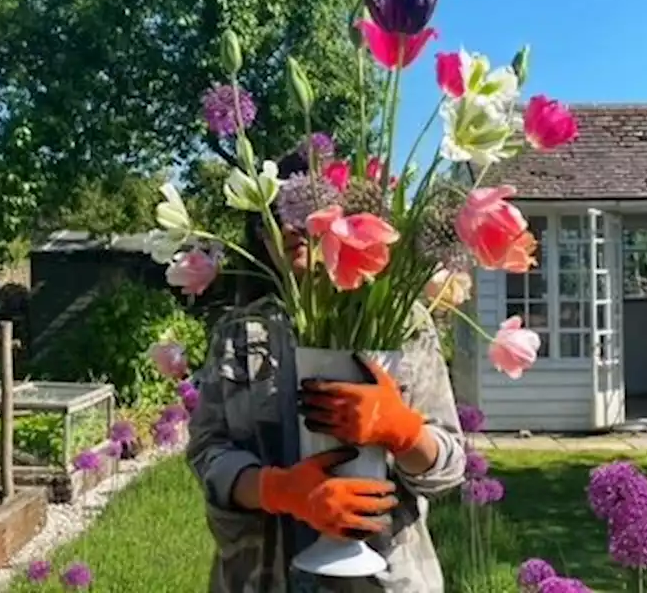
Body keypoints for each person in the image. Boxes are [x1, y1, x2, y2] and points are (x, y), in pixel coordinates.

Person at [185, 152, 467, 592]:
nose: (294, 225)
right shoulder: (240, 332)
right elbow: (207, 453)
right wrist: (278, 490)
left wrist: (402, 432)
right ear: (263, 234)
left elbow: (449, 466)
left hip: (385, 581)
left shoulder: (403, 323)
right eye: (278, 214)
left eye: (311, 207)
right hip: (261, 579)